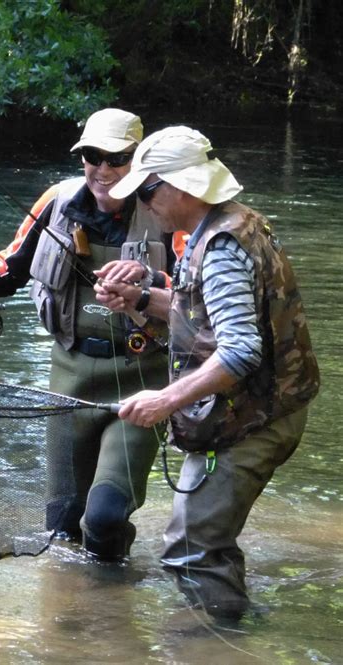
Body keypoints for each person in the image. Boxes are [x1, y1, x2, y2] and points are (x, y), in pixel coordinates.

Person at [0, 109, 181, 561]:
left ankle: (112, 609)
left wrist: (146, 289)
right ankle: (68, 617)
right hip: (68, 378)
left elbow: (196, 299)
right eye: (92, 155)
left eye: (116, 158)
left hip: (143, 381)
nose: (102, 170)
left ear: (138, 160)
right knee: (62, 527)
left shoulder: (166, 211)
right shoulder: (58, 200)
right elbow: (12, 262)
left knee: (104, 517)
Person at [94, 125, 320, 617]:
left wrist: (164, 400)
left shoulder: (219, 249)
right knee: (202, 542)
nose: (145, 203)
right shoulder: (233, 222)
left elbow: (239, 352)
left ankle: (219, 643)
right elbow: (202, 313)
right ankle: (233, 621)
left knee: (190, 547)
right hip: (272, 408)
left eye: (149, 190)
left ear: (184, 187)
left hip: (254, 419)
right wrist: (140, 298)